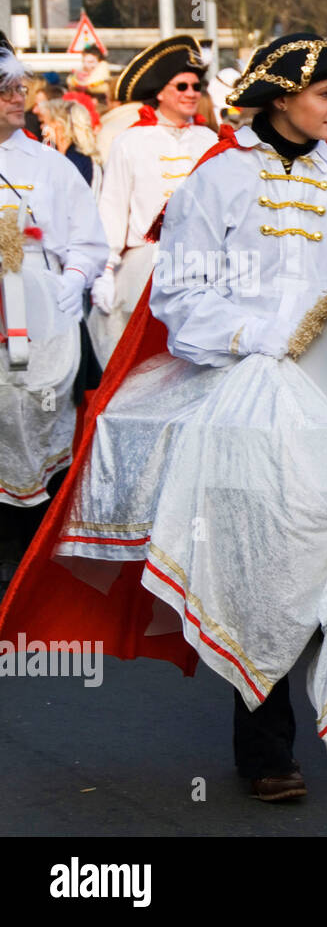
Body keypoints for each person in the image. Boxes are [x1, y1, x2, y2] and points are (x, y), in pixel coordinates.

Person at [1, 32, 327, 803]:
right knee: (257, 558)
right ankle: (267, 742)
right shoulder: (220, 178)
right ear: (281, 98)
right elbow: (178, 296)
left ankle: (297, 651)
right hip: (240, 374)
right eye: (326, 95)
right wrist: (255, 335)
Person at [0, 39, 109, 579]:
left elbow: (88, 242)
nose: (18, 97)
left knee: (38, 418)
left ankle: (31, 551)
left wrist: (74, 278)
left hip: (41, 319)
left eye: (20, 87)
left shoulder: (50, 165)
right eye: (5, 90)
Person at [90, 35, 217, 368]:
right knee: (140, 363)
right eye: (183, 86)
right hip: (142, 267)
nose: (192, 93)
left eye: (197, 86)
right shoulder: (129, 141)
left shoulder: (209, 140)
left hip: (201, 264)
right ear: (161, 92)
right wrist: (105, 269)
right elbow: (113, 207)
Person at [35, 98, 101, 191]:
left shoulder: (75, 159)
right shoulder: (74, 156)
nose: (41, 128)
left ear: (58, 125)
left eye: (44, 123)